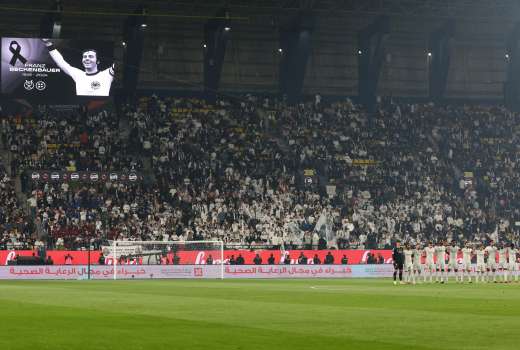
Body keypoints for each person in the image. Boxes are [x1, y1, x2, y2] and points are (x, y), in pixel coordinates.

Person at [41, 39, 114, 96]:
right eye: (85, 57)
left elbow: (119, 62)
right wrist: (48, 43)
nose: (87, 58)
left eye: (91, 56)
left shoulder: (107, 74)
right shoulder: (78, 74)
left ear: (97, 61)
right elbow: (61, 62)